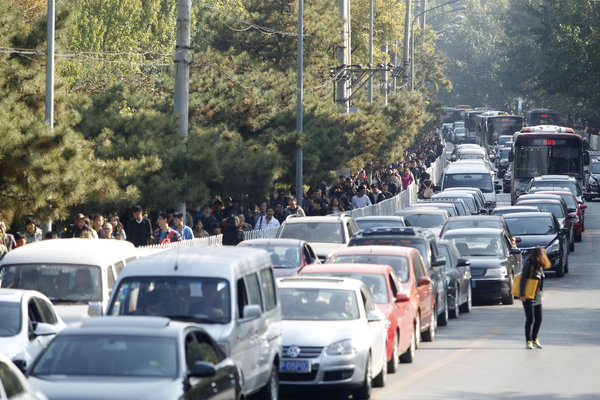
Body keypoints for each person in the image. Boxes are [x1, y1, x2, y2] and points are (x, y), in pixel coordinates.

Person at [519, 246, 551, 350]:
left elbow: (541, 281)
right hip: (528, 295)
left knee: (539, 318)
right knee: (530, 319)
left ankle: (534, 338)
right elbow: (523, 279)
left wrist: (541, 294)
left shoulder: (539, 266)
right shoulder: (529, 265)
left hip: (536, 295)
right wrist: (522, 294)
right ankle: (528, 341)